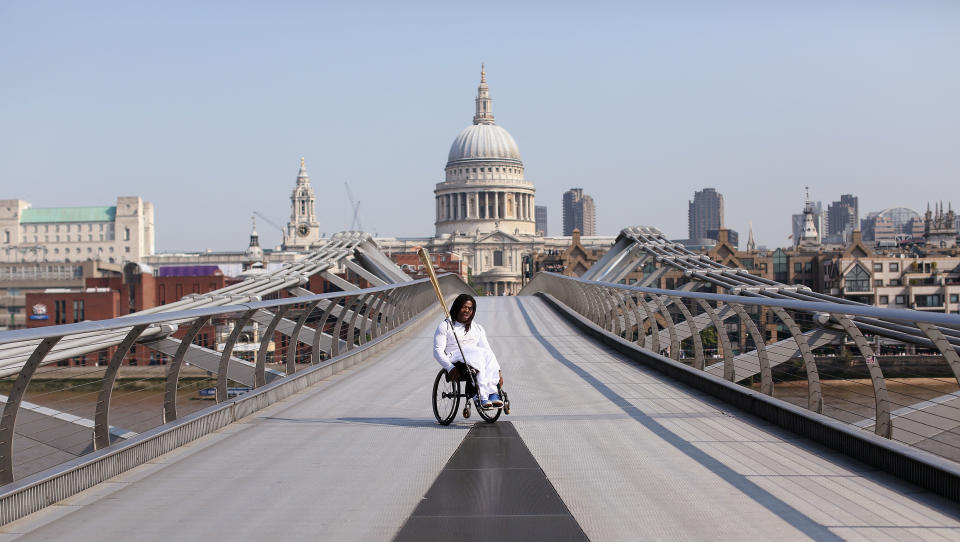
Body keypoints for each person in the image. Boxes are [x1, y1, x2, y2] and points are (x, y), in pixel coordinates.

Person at [433, 293, 503, 408]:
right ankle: (481, 395)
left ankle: (492, 393)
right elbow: (437, 351)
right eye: (464, 307)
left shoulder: (477, 328)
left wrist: (498, 370)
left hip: (475, 355)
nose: (467, 310)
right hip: (455, 355)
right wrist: (449, 367)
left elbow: (486, 349)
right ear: (457, 307)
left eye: (470, 308)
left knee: (487, 354)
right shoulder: (445, 326)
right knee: (479, 356)